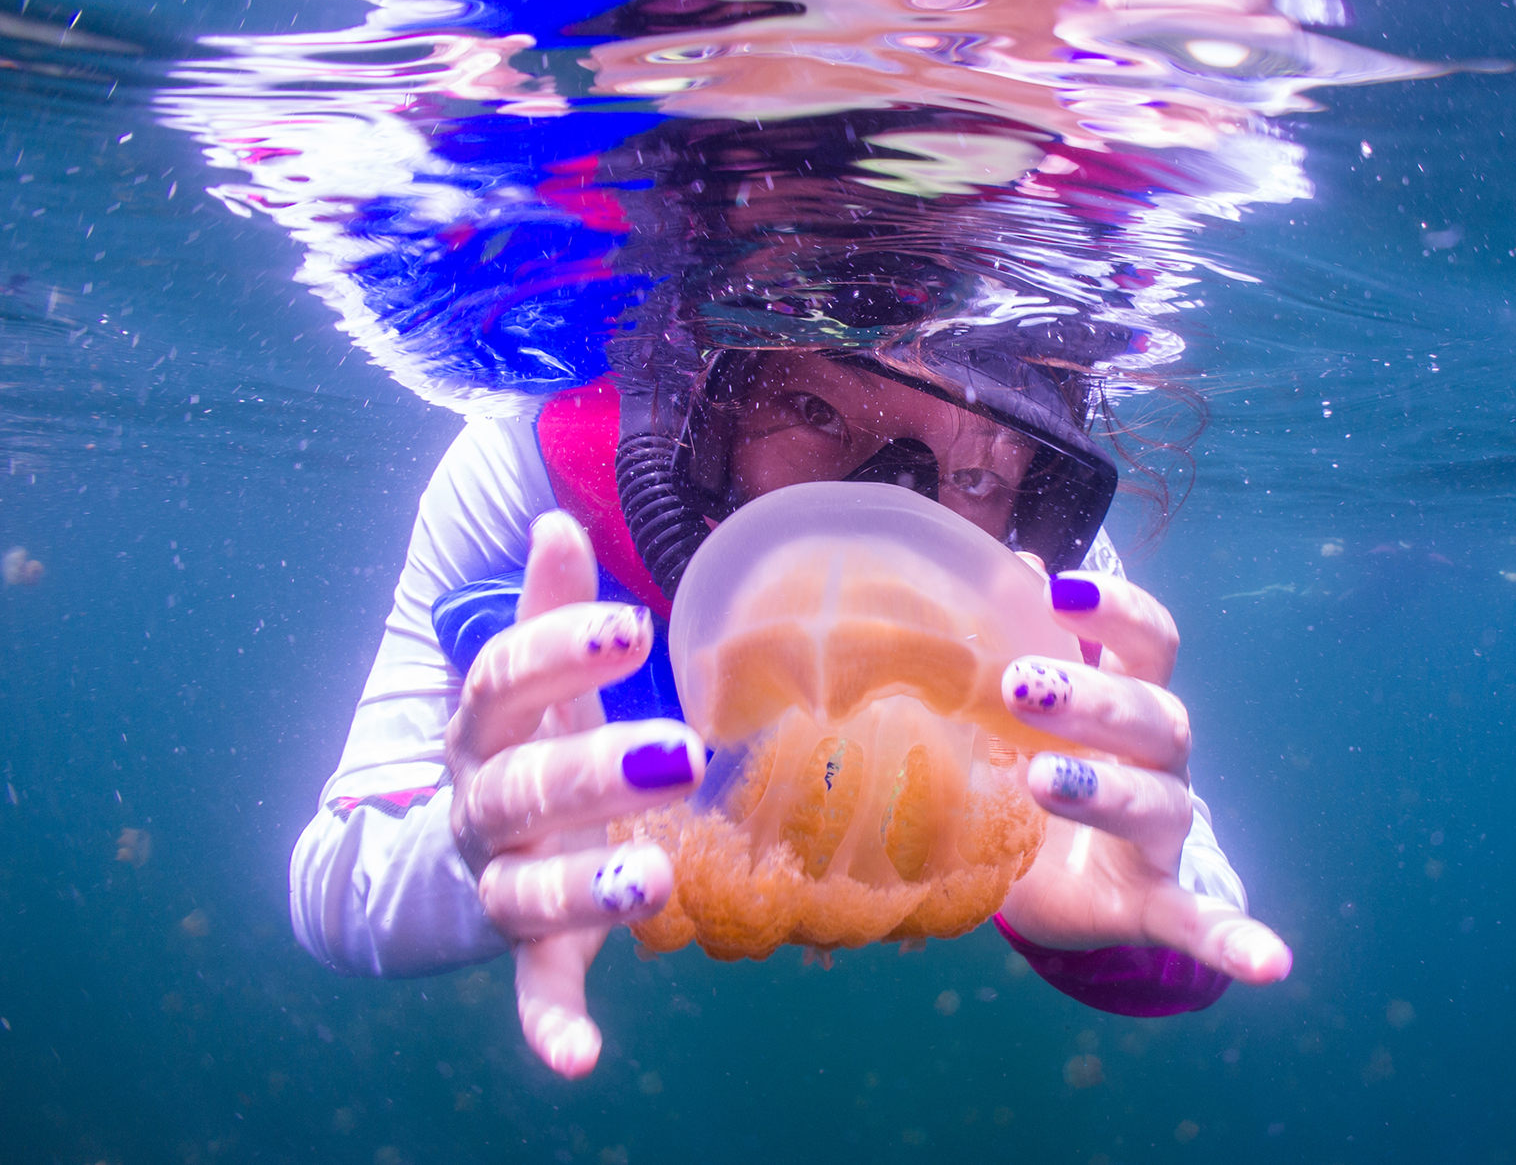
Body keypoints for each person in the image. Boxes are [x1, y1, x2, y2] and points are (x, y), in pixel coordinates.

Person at [290, 323, 1293, 1079]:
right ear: (704, 394)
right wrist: (480, 847)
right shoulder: (524, 457)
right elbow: (336, 876)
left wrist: (1111, 898)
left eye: (974, 475)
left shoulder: (1041, 575)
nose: (887, 519)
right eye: (816, 411)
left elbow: (1195, 899)